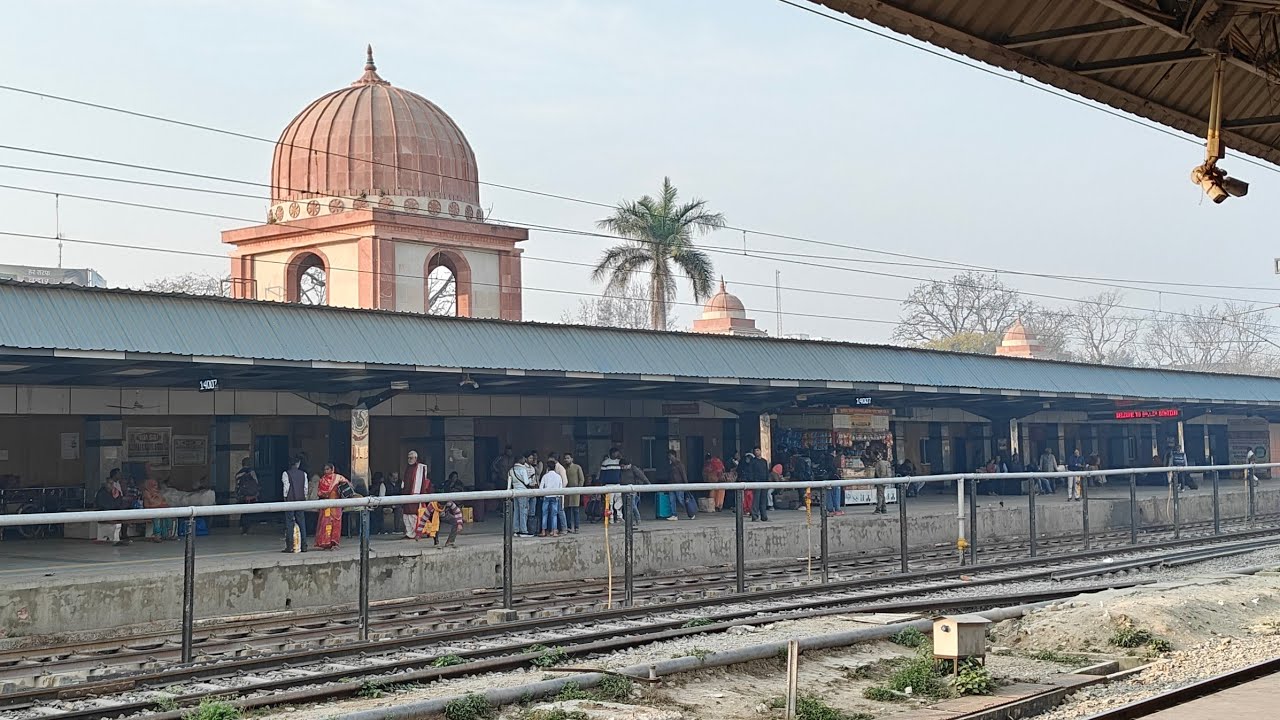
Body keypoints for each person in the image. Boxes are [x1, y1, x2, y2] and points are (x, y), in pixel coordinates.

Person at [313, 463, 351, 550]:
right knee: (325, 524)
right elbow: (319, 493)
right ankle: (326, 543)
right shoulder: (323, 480)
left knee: (336, 524)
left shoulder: (338, 478)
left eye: (328, 469)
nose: (326, 471)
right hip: (327, 506)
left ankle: (334, 543)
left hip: (336, 505)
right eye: (325, 469)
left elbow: (347, 486)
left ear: (332, 469)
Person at [94, 469, 130, 546]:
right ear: (105, 484)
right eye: (109, 483)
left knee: (125, 518)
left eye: (112, 484)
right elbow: (100, 504)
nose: (110, 485)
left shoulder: (116, 492)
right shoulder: (101, 493)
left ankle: (122, 536)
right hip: (104, 513)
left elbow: (119, 503)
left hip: (114, 512)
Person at [402, 450, 431, 540]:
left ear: (415, 458)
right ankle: (409, 532)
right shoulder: (408, 468)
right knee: (406, 515)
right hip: (406, 495)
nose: (409, 459)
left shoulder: (419, 468)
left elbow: (422, 483)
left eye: (411, 458)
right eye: (408, 458)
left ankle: (414, 533)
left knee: (413, 515)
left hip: (415, 495)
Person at [281, 457, 308, 553]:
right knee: (301, 522)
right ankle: (304, 545)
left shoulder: (286, 474)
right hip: (300, 500)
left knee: (289, 522)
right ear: (298, 463)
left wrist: (285, 498)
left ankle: (290, 546)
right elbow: (305, 488)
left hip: (290, 500)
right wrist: (305, 498)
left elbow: (286, 487)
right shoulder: (303, 474)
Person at [508, 451, 537, 537]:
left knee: (516, 511)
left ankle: (516, 530)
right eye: (523, 459)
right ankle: (523, 530)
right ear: (520, 460)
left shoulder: (511, 470)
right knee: (523, 511)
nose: (524, 460)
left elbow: (510, 482)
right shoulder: (522, 469)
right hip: (523, 492)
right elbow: (526, 482)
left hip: (515, 492)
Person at [141, 477, 176, 541]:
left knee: (168, 516)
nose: (156, 487)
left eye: (156, 485)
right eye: (154, 485)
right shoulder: (146, 492)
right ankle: (157, 535)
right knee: (156, 518)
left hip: (158, 509)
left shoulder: (157, 492)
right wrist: (157, 499)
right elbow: (151, 502)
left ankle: (168, 534)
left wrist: (158, 497)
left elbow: (163, 501)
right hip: (149, 510)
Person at [666, 450, 697, 520]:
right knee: (672, 500)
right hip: (671, 485)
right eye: (669, 456)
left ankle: (691, 513)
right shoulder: (670, 466)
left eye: (670, 456)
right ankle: (674, 515)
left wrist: (686, 485)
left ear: (674, 455)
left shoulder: (679, 464)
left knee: (681, 500)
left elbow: (683, 475)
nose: (669, 457)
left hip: (679, 485)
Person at [618, 458, 648, 525]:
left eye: (623, 466)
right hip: (623, 490)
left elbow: (642, 476)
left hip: (632, 490)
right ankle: (629, 521)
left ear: (627, 465)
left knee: (632, 505)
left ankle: (638, 519)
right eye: (621, 467)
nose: (622, 468)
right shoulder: (621, 471)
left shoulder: (633, 468)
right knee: (625, 506)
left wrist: (648, 484)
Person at [539, 461, 565, 537]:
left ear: (548, 468)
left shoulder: (545, 476)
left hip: (546, 497)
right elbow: (560, 488)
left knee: (544, 515)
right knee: (554, 515)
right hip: (555, 497)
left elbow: (541, 488)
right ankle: (554, 531)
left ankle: (543, 531)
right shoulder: (558, 476)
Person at [235, 458, 260, 535]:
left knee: (243, 512)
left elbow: (237, 485)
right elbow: (256, 482)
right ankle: (246, 528)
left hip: (242, 495)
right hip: (250, 495)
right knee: (249, 512)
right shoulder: (251, 472)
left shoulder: (238, 473)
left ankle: (242, 527)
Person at [743, 447, 769, 521]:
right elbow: (750, 472)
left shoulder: (764, 461)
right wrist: (752, 480)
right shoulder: (752, 461)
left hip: (764, 482)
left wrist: (768, 481)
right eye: (755, 451)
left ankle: (764, 516)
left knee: (763, 500)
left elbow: (767, 471)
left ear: (760, 451)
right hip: (756, 482)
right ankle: (754, 516)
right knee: (756, 500)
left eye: (758, 450)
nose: (756, 452)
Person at [562, 451, 585, 533]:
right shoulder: (563, 469)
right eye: (565, 458)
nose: (566, 460)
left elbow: (581, 479)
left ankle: (576, 527)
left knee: (576, 510)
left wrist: (579, 488)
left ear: (572, 459)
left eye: (568, 458)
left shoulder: (577, 467)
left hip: (575, 492)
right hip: (567, 492)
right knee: (567, 510)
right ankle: (568, 527)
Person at [599, 447, 623, 522]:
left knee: (619, 501)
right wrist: (602, 485)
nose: (617, 454)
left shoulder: (619, 462)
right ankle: (611, 517)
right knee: (610, 503)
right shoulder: (605, 463)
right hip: (608, 485)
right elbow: (602, 475)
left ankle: (619, 516)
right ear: (612, 453)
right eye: (616, 452)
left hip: (618, 485)